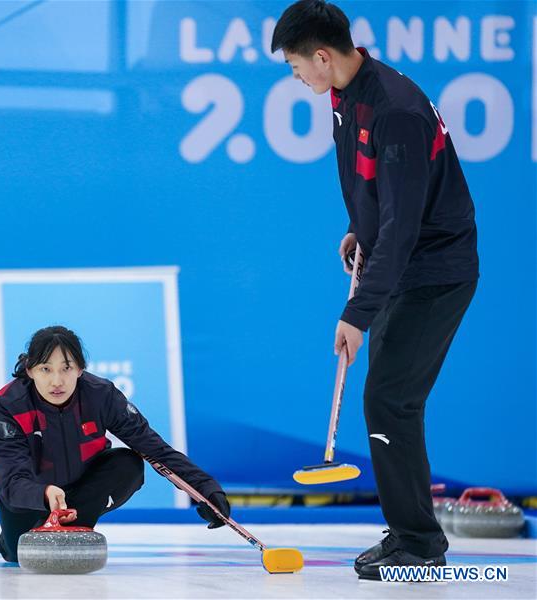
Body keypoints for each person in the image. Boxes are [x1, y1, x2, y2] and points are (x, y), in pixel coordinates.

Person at [271, 0, 479, 581]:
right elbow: (382, 196)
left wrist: (357, 313)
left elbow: (405, 223)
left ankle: (418, 543)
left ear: (321, 55)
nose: (295, 78)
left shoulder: (395, 110)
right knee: (388, 398)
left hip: (434, 273)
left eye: (294, 66)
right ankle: (409, 530)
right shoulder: (347, 94)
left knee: (390, 399)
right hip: (401, 265)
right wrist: (359, 232)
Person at [0, 325, 230, 563]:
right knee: (18, 554)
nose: (57, 381)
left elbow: (154, 448)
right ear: (30, 370)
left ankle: (74, 529)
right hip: (31, 497)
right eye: (46, 369)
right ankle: (20, 537)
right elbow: (12, 480)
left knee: (128, 465)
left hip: (82, 493)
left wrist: (205, 489)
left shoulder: (100, 395)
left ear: (80, 369)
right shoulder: (9, 405)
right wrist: (44, 493)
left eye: (66, 368)